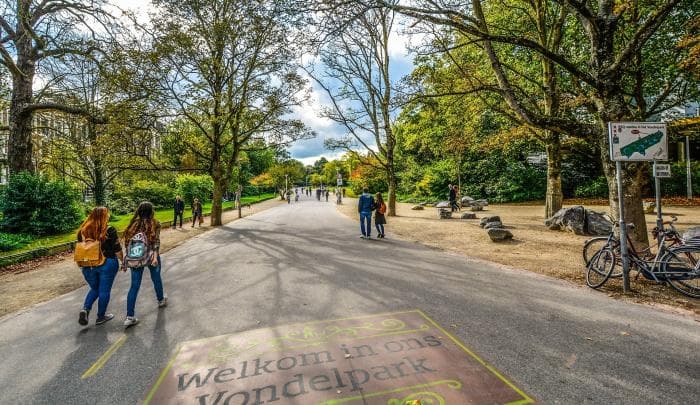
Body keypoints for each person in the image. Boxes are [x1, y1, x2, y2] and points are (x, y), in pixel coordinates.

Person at [77, 207, 123, 326]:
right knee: (104, 290)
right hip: (107, 263)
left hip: (88, 264)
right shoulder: (109, 229)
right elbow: (117, 249)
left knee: (95, 288)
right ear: (104, 216)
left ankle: (85, 309)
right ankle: (100, 316)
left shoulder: (83, 230)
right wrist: (123, 261)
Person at [123, 202, 166, 328]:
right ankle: (160, 300)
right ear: (151, 211)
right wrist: (155, 256)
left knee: (134, 286)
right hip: (151, 255)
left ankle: (129, 316)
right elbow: (156, 241)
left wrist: (128, 259)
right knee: (156, 278)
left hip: (136, 258)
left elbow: (127, 243)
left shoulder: (133, 224)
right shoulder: (155, 223)